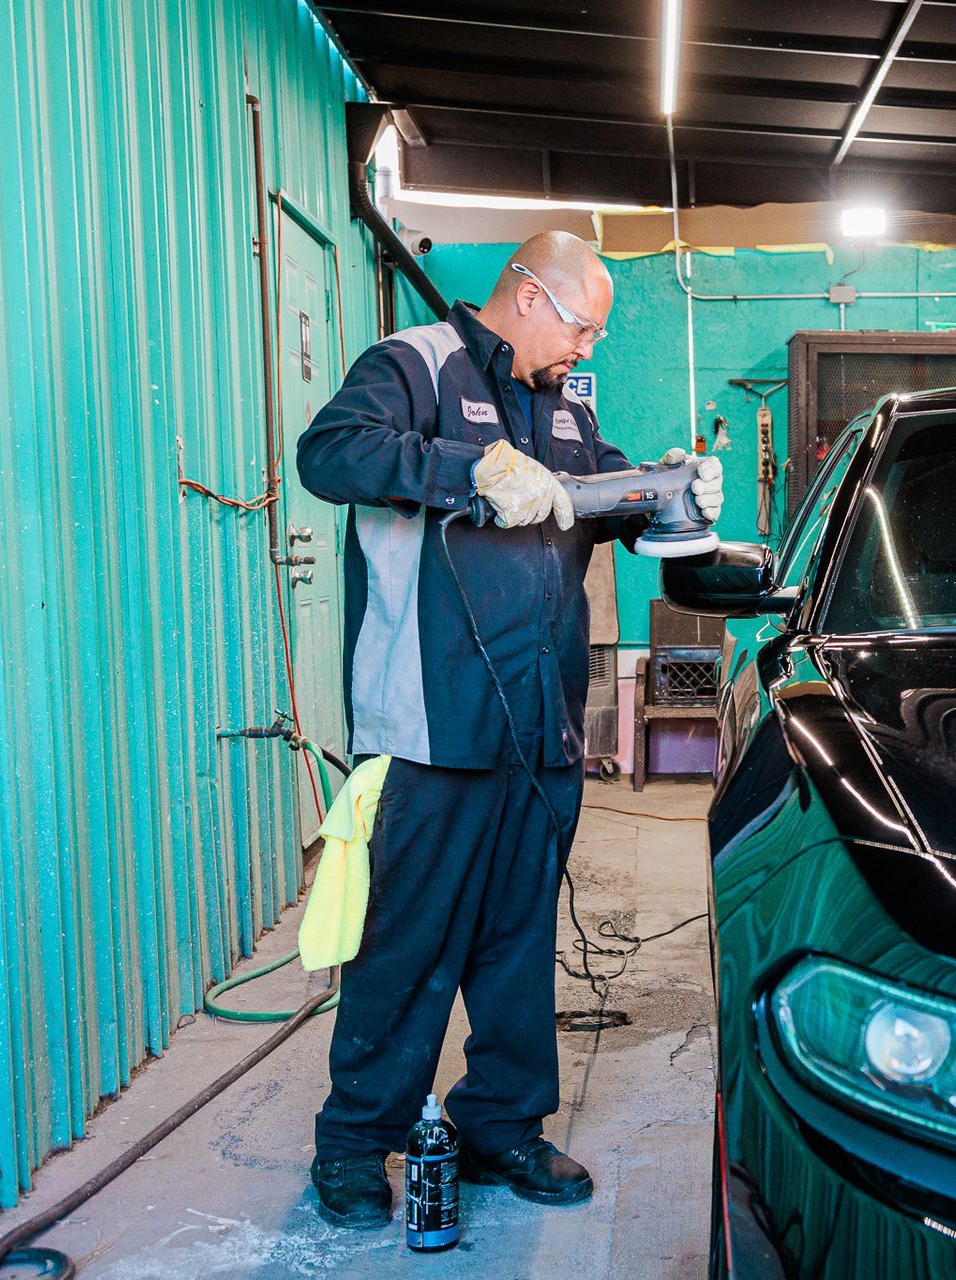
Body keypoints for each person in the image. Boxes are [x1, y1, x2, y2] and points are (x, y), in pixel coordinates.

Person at [294, 231, 722, 1226]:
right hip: (432, 725)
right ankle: (356, 1144)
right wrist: (467, 468)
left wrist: (661, 488)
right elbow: (330, 451)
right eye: (582, 327)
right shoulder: (414, 365)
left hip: (541, 726)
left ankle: (502, 1125)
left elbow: (599, 492)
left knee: (518, 941)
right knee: (406, 944)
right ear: (530, 295)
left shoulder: (565, 403)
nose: (586, 350)